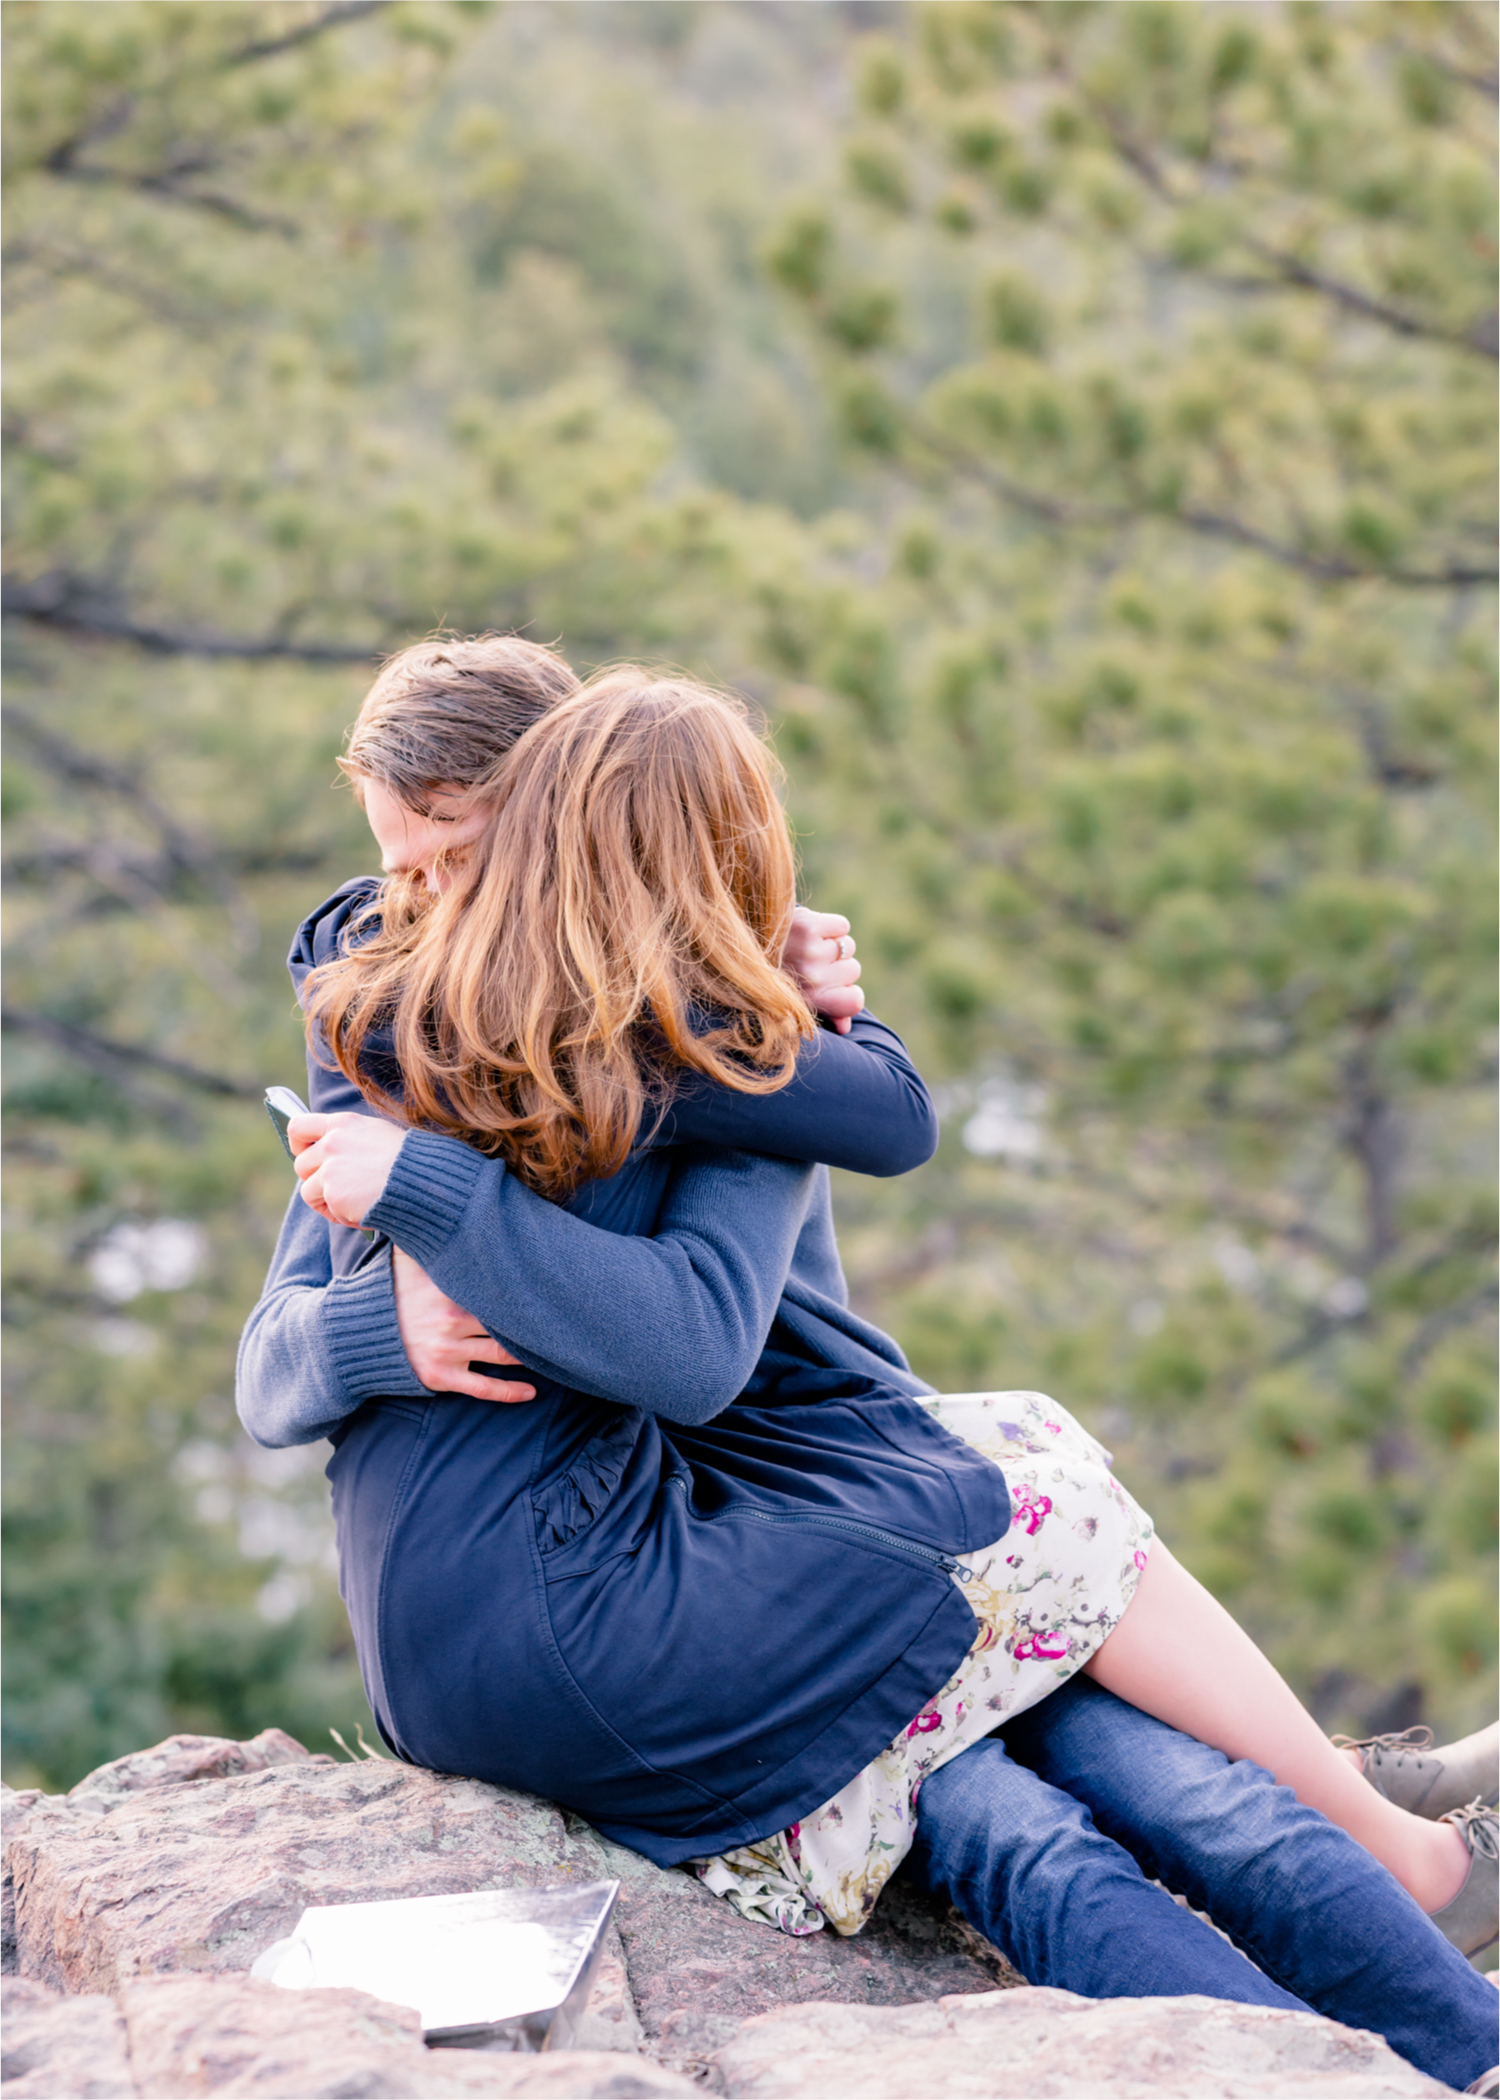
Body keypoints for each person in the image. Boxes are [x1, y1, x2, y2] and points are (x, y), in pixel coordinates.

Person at [237, 649, 1498, 2093]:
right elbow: (297, 1361)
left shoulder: (650, 1036)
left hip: (729, 1525)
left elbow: (865, 1143)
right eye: (400, 872)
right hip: (680, 1564)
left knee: (1017, 1791)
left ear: (562, 826)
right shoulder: (413, 1022)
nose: (420, 907)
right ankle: (1397, 1865)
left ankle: (1417, 1981)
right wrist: (374, 1329)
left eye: (452, 860)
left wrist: (813, 1022)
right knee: (1037, 1512)